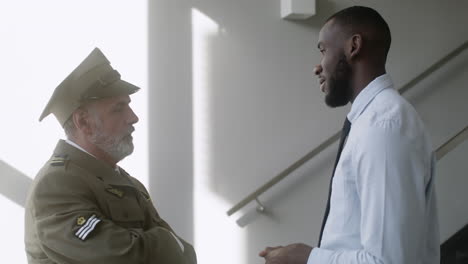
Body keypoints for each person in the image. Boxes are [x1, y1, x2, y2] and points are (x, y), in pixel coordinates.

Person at [259, 6, 439, 264]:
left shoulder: (384, 126)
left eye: (323, 51)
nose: (317, 68)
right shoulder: (372, 121)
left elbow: (387, 262)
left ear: (353, 46)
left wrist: (307, 258)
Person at [24, 48, 197, 264]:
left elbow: (186, 256)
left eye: (129, 106)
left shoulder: (128, 182)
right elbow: (123, 258)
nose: (133, 118)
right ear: (84, 122)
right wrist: (168, 242)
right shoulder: (56, 184)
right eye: (118, 109)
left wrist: (168, 247)